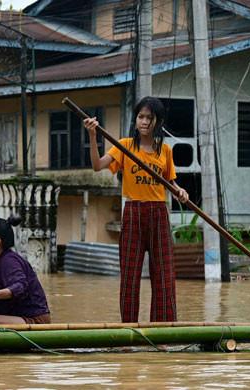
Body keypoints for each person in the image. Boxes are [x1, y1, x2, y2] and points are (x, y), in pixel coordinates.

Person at [83, 96, 189, 323]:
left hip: (158, 213)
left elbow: (171, 182)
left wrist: (181, 191)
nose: (144, 122)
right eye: (141, 117)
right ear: (136, 119)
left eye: (149, 118)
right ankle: (129, 331)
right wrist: (93, 135)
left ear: (157, 121)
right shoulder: (124, 145)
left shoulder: (165, 151)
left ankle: (163, 330)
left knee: (164, 275)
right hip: (133, 212)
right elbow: (97, 165)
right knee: (130, 276)